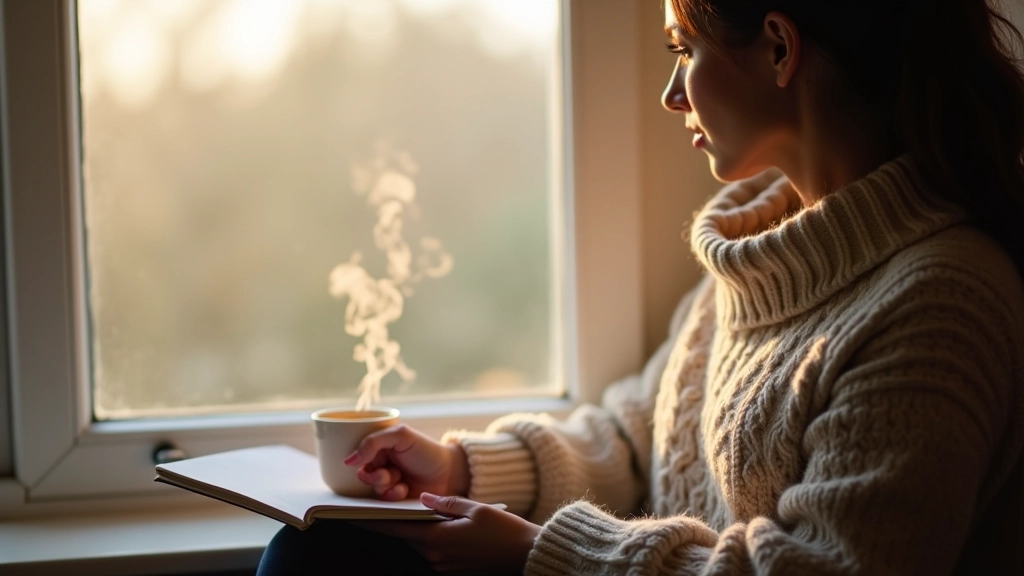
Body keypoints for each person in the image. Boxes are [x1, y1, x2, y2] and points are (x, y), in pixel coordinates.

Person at [257, 0, 1024, 573]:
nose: (670, 93)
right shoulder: (757, 263)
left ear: (781, 48)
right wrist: (460, 469)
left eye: (682, 48)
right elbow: (635, 440)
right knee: (320, 549)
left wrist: (542, 553)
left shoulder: (941, 303)